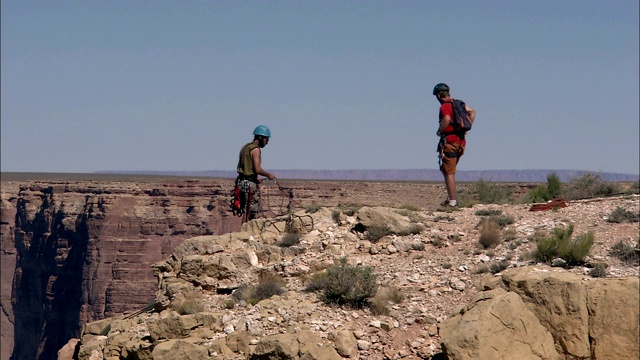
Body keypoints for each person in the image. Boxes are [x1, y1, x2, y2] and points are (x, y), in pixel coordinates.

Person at [433, 83, 476, 207]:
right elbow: (472, 112)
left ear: (439, 95)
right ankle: (451, 198)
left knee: (449, 172)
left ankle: (452, 202)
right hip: (461, 142)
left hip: (450, 142)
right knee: (449, 170)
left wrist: (440, 131)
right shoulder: (458, 104)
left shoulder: (445, 106)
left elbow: (446, 118)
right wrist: (466, 128)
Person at [236, 125, 277, 223]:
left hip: (241, 182)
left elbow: (247, 166)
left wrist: (255, 177)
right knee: (251, 210)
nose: (267, 142)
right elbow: (257, 169)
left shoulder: (245, 147)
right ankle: (245, 233)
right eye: (266, 139)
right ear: (260, 137)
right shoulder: (255, 150)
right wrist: (268, 175)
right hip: (249, 184)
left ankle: (244, 232)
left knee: (246, 209)